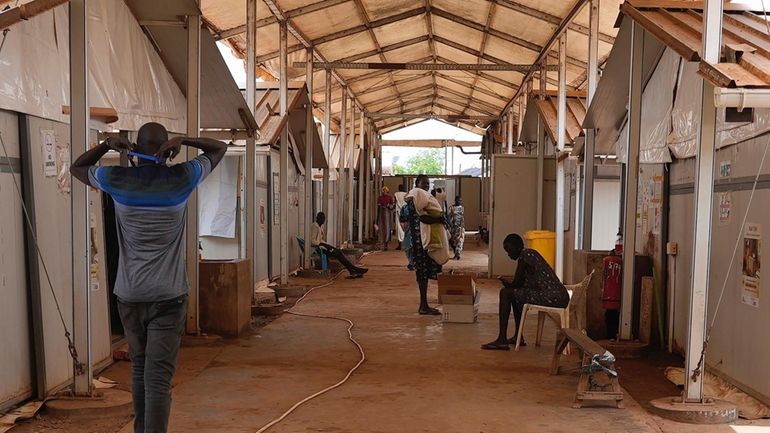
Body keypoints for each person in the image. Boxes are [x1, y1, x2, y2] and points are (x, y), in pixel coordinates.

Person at [71, 122, 226, 433]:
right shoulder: (182, 177)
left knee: (141, 369)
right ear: (167, 150)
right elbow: (219, 148)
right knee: (157, 378)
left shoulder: (116, 178)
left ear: (135, 150)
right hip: (168, 297)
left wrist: (108, 145)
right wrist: (186, 139)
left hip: (129, 295)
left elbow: (78, 167)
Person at [481, 233, 570, 350]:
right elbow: (519, 285)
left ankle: (502, 339)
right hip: (559, 296)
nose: (509, 254)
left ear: (519, 247)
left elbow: (516, 283)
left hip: (552, 296)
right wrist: (511, 285)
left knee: (505, 293)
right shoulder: (530, 254)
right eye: (507, 252)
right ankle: (518, 336)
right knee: (515, 294)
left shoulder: (526, 255)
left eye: (510, 251)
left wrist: (507, 284)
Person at [404, 174, 452, 315]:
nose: (426, 186)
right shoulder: (415, 199)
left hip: (424, 241)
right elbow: (423, 218)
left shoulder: (421, 198)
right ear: (416, 184)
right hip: (419, 243)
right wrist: (439, 219)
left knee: (426, 272)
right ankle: (423, 306)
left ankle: (424, 304)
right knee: (422, 273)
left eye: (427, 184)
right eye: (423, 184)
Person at [310, 212, 368, 278]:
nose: (323, 220)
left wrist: (326, 244)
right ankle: (353, 269)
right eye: (321, 218)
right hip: (319, 249)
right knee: (338, 253)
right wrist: (322, 244)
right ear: (317, 218)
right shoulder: (314, 226)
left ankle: (352, 269)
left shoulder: (320, 227)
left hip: (323, 246)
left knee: (339, 252)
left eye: (324, 218)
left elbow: (320, 239)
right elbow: (312, 240)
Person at [377, 186, 396, 250]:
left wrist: (388, 206)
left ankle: (386, 243)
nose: (384, 192)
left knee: (386, 228)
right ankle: (384, 243)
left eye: (385, 191)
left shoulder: (389, 198)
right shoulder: (381, 198)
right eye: (383, 191)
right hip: (383, 214)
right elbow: (379, 208)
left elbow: (393, 206)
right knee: (383, 228)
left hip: (387, 213)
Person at [448, 196, 465, 260]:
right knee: (452, 240)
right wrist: (450, 224)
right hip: (453, 227)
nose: (460, 202)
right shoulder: (451, 208)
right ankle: (456, 251)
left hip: (460, 227)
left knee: (460, 241)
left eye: (461, 200)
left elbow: (462, 217)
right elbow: (449, 217)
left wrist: (462, 226)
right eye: (458, 200)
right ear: (455, 200)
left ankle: (458, 254)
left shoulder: (462, 208)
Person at [393, 184, 408, 250]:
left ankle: (400, 245)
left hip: (398, 212)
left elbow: (393, 202)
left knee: (399, 227)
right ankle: (406, 244)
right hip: (405, 212)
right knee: (406, 227)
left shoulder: (396, 194)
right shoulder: (406, 194)